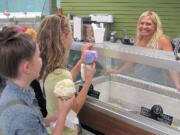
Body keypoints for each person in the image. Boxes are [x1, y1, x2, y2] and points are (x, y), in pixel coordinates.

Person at [0, 27, 74, 135]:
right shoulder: (22, 114)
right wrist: (63, 113)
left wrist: (55, 118)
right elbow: (28, 120)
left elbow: (35, 124)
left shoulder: (17, 90)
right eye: (39, 56)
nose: (42, 60)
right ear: (27, 67)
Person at [37, 14, 96, 134]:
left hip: (52, 127)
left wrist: (81, 60)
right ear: (63, 37)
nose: (72, 36)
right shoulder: (61, 74)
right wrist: (88, 81)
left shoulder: (45, 66)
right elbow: (74, 109)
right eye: (71, 32)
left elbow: (63, 81)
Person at [107, 11, 180, 90]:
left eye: (148, 24)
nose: (144, 26)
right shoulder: (138, 39)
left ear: (156, 26)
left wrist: (178, 85)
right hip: (139, 80)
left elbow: (171, 65)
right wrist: (118, 71)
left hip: (157, 83)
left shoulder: (162, 40)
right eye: (142, 23)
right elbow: (132, 61)